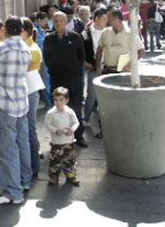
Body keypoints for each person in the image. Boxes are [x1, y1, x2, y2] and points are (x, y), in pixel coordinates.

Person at [0, 16, 32, 205]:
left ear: (6, 30)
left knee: (7, 149)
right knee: (21, 143)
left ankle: (12, 192)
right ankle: (24, 181)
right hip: (21, 101)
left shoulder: (0, 48)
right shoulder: (25, 48)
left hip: (4, 104)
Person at [94, 9, 145, 138]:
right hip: (108, 70)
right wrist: (98, 66)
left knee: (123, 101)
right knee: (105, 102)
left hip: (123, 71)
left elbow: (141, 51)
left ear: (117, 19)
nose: (107, 21)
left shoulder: (130, 33)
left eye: (110, 18)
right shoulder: (106, 32)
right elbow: (99, 50)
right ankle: (104, 130)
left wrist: (130, 64)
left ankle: (124, 129)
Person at [42, 12, 87, 147]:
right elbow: (47, 58)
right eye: (56, 21)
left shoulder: (75, 37)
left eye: (61, 21)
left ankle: (78, 136)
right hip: (57, 78)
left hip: (74, 78)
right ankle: (58, 138)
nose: (59, 24)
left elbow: (81, 57)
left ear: (66, 21)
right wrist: (54, 69)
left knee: (76, 108)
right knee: (58, 108)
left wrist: (76, 70)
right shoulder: (49, 39)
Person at [20, 17, 45, 179]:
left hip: (29, 91)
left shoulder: (32, 50)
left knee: (29, 129)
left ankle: (34, 166)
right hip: (26, 91)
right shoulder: (25, 46)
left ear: (26, 32)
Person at [44, 87, 80, 186]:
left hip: (68, 142)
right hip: (56, 143)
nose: (58, 102)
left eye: (61, 100)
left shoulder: (70, 112)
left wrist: (72, 129)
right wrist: (55, 130)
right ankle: (53, 178)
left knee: (69, 161)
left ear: (66, 100)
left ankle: (71, 177)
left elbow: (76, 122)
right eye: (56, 100)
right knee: (55, 162)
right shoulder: (51, 113)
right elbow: (47, 124)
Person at [81, 8, 108, 129]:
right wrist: (87, 64)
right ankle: (85, 118)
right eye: (103, 19)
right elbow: (81, 52)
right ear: (96, 18)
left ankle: (102, 119)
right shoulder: (85, 33)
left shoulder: (108, 32)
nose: (105, 22)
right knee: (91, 94)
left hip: (107, 67)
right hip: (93, 67)